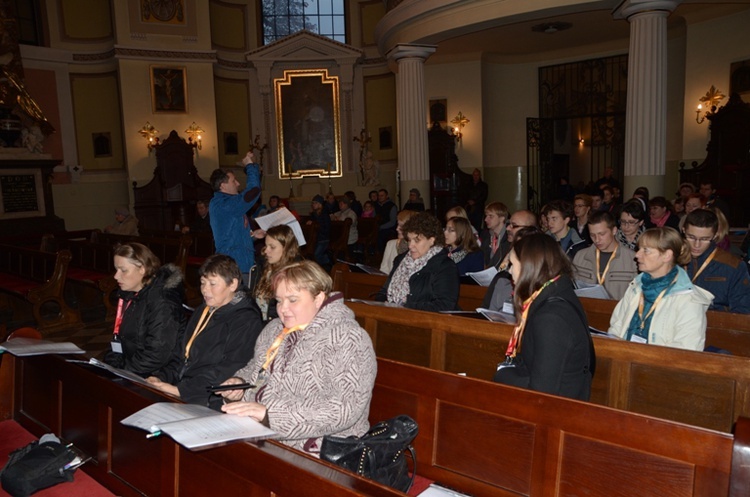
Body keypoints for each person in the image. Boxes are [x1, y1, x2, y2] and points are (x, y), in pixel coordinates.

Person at [219, 261, 377, 456]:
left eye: (293, 300)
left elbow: (344, 409)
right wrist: (239, 385)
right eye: (278, 300)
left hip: (318, 447)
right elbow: (255, 369)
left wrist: (270, 416)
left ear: (318, 298)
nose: (283, 309)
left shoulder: (347, 338)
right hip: (260, 434)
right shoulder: (274, 329)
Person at [146, 255, 263, 410]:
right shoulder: (205, 309)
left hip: (210, 399)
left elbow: (229, 369)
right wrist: (161, 377)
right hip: (185, 387)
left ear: (233, 284)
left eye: (212, 284)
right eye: (202, 283)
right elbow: (182, 356)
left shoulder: (247, 320)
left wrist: (181, 391)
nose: (205, 290)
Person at [492, 233, 592, 401]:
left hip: (558, 414)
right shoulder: (556, 291)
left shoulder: (551, 318)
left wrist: (503, 373)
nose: (509, 270)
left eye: (513, 264)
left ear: (528, 267)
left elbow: (541, 392)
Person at [608, 227, 714, 351]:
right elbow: (616, 326)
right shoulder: (636, 286)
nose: (637, 255)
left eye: (646, 250)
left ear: (667, 256)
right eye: (639, 249)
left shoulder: (688, 299)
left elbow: (687, 351)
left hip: (658, 367)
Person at [104, 243, 186, 377]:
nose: (116, 276)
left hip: (157, 376)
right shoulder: (130, 294)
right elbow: (120, 339)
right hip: (134, 368)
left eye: (123, 270)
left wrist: (121, 371)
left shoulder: (164, 302)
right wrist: (111, 365)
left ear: (142, 269)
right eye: (116, 269)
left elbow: (156, 355)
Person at [375, 212, 459, 312]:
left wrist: (404, 307)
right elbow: (383, 292)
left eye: (417, 240)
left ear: (432, 240)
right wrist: (383, 304)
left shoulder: (445, 266)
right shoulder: (400, 260)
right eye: (409, 240)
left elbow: (445, 305)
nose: (410, 245)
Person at [209, 151, 263, 284]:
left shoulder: (229, 204)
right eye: (234, 181)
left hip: (241, 264)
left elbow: (231, 236)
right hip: (234, 267)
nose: (238, 184)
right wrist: (250, 166)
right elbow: (253, 191)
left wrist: (253, 236)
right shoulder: (223, 204)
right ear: (223, 185)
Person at [682, 209, 750, 314]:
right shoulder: (670, 259)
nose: (696, 245)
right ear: (683, 230)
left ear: (715, 235)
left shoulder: (733, 265)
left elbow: (742, 310)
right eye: (691, 237)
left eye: (704, 239)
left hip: (716, 325)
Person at [572, 211, 637, 300]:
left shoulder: (632, 259)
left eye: (601, 234)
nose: (597, 240)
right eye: (592, 235)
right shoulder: (580, 256)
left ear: (614, 230)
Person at [482, 225, 541, 313]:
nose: (517, 250)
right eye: (515, 246)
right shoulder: (502, 279)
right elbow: (486, 310)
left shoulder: (542, 288)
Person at [251, 225, 302, 322]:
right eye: (266, 246)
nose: (266, 251)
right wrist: (253, 238)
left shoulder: (294, 275)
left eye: (272, 247)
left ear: (286, 248)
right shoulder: (263, 265)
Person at [380, 209, 416, 274]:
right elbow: (383, 270)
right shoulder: (391, 244)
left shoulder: (419, 248)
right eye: (397, 225)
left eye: (401, 226)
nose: (397, 229)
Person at [480, 201, 510, 269]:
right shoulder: (485, 235)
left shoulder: (509, 237)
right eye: (486, 216)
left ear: (502, 218)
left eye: (491, 216)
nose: (485, 219)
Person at [307, 195, 331, 271]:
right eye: (312, 203)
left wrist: (314, 223)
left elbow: (326, 228)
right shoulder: (314, 214)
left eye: (315, 203)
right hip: (316, 238)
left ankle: (328, 260)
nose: (313, 205)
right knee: (312, 254)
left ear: (320, 204)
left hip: (323, 238)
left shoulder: (324, 214)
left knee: (316, 255)